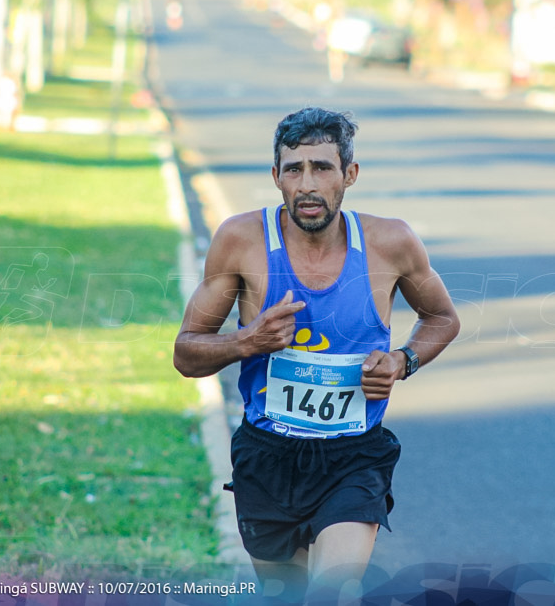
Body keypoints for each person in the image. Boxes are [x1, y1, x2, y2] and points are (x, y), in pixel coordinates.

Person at [173, 107, 460, 603]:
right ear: (276, 178)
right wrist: (248, 341)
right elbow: (186, 354)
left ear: (349, 174)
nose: (307, 183)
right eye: (294, 169)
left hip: (353, 456)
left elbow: (442, 318)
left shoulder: (390, 243)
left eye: (322, 168)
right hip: (267, 457)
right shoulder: (241, 241)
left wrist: (401, 361)